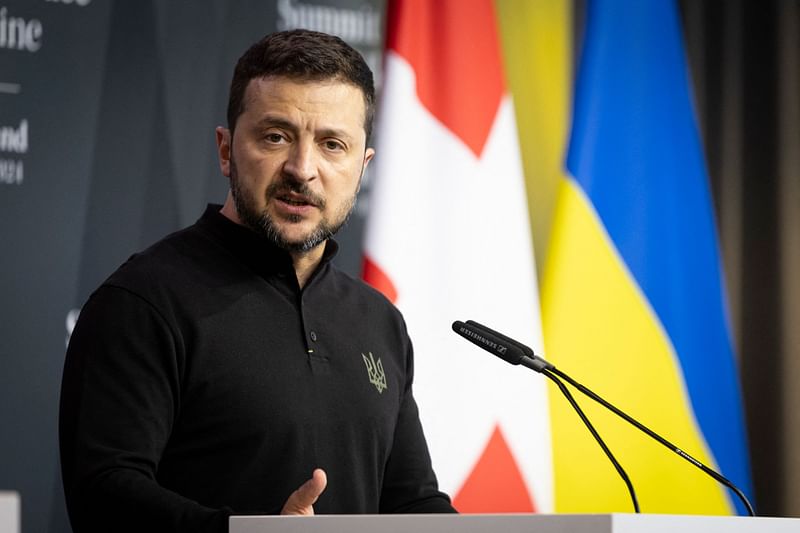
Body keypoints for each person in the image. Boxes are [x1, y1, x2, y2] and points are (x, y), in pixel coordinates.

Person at [59, 29, 456, 533]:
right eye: (276, 136)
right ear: (226, 151)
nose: (302, 169)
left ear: (362, 167)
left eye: (332, 145)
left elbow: (411, 504)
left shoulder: (379, 321)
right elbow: (104, 496)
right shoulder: (142, 302)